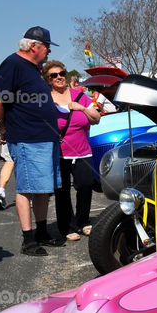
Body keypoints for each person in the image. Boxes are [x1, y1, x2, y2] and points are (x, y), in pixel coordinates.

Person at [0, 26, 64, 256]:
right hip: (27, 138)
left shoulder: (33, 68)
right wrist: (3, 128)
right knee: (27, 188)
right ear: (34, 46)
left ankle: (42, 232)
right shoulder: (13, 64)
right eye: (47, 47)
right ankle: (28, 240)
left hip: (44, 138)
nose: (49, 51)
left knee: (43, 189)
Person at [44, 60, 100, 240]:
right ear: (48, 80)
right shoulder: (45, 100)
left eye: (61, 73)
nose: (59, 77)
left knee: (85, 185)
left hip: (83, 150)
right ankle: (67, 226)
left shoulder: (79, 95)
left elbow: (96, 118)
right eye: (54, 75)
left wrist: (81, 108)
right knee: (62, 191)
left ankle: (83, 221)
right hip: (59, 153)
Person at [0, 138, 14, 210]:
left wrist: (3, 135)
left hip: (10, 134)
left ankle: (0, 192)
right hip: (31, 136)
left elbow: (0, 126)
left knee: (9, 162)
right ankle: (30, 195)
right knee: (28, 162)